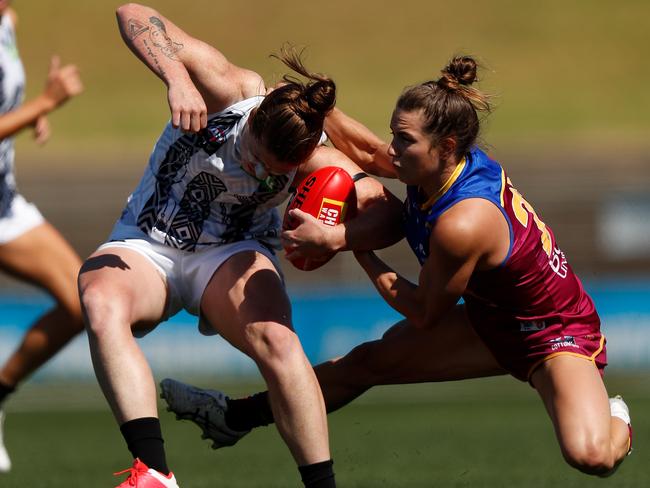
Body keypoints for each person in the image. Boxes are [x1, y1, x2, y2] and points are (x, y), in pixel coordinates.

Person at [161, 55, 633, 478]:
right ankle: (232, 417)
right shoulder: (430, 166)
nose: (392, 149)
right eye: (393, 132)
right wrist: (314, 106)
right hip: (491, 317)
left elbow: (423, 311)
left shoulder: (463, 222)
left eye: (404, 140)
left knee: (590, 456)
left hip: (551, 331)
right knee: (367, 363)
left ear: (446, 146)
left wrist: (349, 243)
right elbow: (365, 151)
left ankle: (616, 416)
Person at [78, 4, 401, 488]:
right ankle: (154, 474)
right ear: (254, 121)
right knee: (99, 299)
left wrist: (336, 237)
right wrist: (175, 77)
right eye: (255, 157)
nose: (260, 173)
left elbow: (389, 214)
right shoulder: (228, 89)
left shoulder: (317, 159)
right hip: (149, 241)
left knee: (280, 343)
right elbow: (133, 13)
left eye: (276, 172)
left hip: (230, 251)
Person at [0, 2, 84, 473]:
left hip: (3, 205)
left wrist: (26, 113)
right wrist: (44, 103)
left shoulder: (7, 21)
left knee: (81, 300)